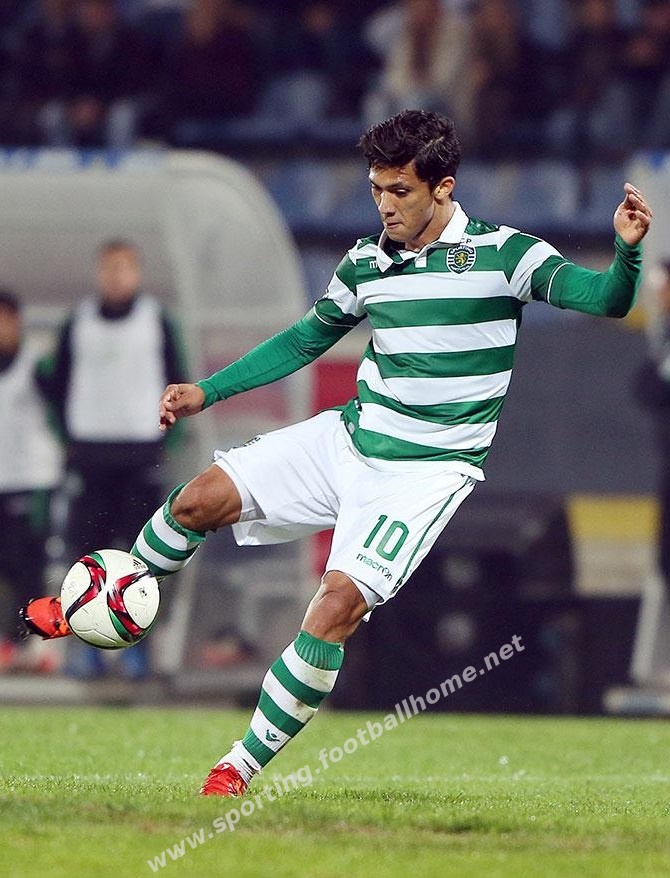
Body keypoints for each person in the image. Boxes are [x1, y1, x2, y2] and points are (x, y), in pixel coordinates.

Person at [21, 110, 652, 792]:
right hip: (348, 438)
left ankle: (237, 767)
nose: (385, 205)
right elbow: (304, 341)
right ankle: (105, 602)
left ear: (443, 188)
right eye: (377, 189)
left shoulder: (506, 256)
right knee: (198, 499)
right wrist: (207, 391)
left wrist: (626, 251)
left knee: (335, 608)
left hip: (424, 474)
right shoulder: (365, 262)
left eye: (400, 190)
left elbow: (606, 300)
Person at [33, 239, 185, 676]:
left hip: (141, 453)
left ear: (137, 273)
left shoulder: (156, 321)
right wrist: (67, 438)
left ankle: (139, 645)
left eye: (124, 268)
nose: (116, 277)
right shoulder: (77, 323)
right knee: (86, 555)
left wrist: (167, 440)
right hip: (90, 454)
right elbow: (56, 384)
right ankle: (86, 646)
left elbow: (178, 380)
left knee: (144, 555)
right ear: (99, 273)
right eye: (109, 269)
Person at [0, 290, 63, 670]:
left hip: (32, 479)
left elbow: (63, 407)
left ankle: (41, 643)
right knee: (5, 564)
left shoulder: (36, 367)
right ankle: (10, 640)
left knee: (31, 563)